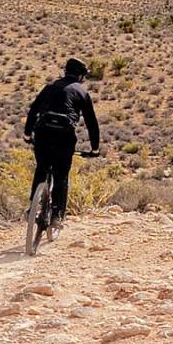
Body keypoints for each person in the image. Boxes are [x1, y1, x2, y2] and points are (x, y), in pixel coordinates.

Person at [24, 58, 100, 228]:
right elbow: (91, 123)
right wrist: (95, 149)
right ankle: (57, 215)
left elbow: (34, 110)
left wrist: (27, 134)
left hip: (43, 132)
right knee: (61, 174)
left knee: (42, 167)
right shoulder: (81, 92)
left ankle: (32, 208)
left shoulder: (50, 87)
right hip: (64, 136)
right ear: (80, 76)